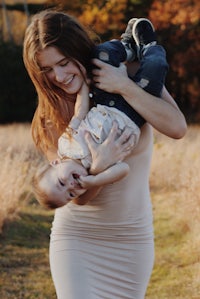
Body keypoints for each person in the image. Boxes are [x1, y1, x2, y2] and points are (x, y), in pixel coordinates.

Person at [23, 9, 187, 299]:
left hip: (131, 239)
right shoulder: (50, 115)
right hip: (78, 239)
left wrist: (123, 86)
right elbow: (79, 198)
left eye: (63, 62)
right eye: (47, 70)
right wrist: (99, 168)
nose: (58, 76)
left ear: (78, 50)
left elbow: (176, 127)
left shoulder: (128, 70)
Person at [32, 18, 169, 210]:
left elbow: (79, 113)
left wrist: (89, 86)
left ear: (56, 163)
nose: (72, 186)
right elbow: (122, 169)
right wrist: (96, 172)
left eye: (62, 183)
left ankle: (127, 44)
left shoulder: (66, 145)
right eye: (69, 193)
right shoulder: (89, 172)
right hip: (132, 116)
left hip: (106, 104)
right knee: (155, 67)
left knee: (102, 54)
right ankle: (150, 46)